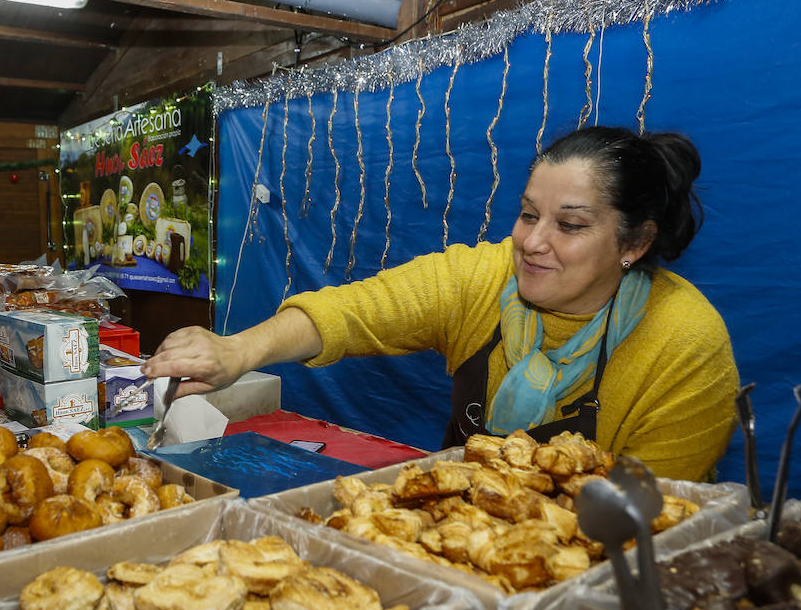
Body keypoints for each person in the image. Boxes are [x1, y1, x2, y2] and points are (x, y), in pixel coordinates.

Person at [141, 126, 739, 482]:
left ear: (635, 242)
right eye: (529, 214)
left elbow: (652, 513)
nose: (532, 242)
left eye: (570, 225)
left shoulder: (684, 344)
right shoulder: (484, 278)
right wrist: (240, 349)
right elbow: (354, 312)